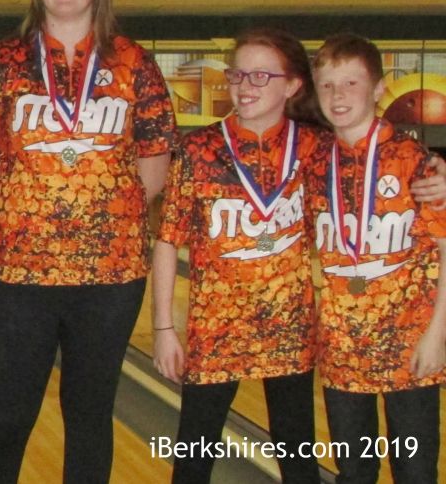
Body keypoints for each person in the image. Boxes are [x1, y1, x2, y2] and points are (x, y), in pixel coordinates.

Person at [0, 0, 177, 483]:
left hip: (111, 276)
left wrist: (106, 219)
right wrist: (16, 224)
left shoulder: (135, 64)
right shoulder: (4, 62)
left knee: (89, 417)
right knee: (8, 417)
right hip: (25, 274)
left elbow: (154, 163)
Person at [151, 28, 323, 483]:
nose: (245, 85)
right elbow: (167, 240)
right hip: (215, 328)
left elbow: (383, 172)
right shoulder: (198, 150)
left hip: (289, 327)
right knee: (193, 460)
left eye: (261, 76)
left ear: (292, 85)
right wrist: (163, 327)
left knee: (298, 460)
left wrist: (435, 170)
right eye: (238, 74)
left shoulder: (316, 149)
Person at [306, 34, 446, 483]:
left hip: (410, 347)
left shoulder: (413, 160)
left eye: (351, 83)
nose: (338, 95)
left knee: (415, 472)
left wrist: (437, 336)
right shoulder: (314, 163)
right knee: (354, 472)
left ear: (379, 89)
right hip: (342, 351)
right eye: (327, 85)